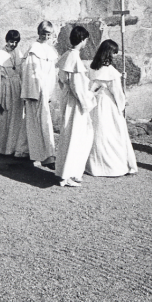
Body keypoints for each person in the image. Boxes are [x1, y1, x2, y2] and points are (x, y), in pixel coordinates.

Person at [85, 40, 138, 177]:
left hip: (95, 102)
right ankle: (112, 166)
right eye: (114, 53)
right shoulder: (111, 72)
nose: (115, 56)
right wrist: (123, 103)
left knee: (97, 132)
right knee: (111, 133)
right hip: (107, 104)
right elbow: (117, 92)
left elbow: (91, 86)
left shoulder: (93, 68)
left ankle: (95, 165)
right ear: (109, 54)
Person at [54, 25, 96, 187]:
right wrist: (90, 98)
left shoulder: (67, 56)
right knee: (75, 137)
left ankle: (71, 172)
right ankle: (68, 174)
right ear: (83, 40)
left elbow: (62, 80)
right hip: (76, 104)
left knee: (71, 135)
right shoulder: (75, 59)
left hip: (69, 101)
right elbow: (78, 88)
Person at [21, 20, 59, 166]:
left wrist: (49, 93)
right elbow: (30, 73)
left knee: (44, 123)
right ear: (39, 32)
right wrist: (34, 93)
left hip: (46, 92)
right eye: (44, 33)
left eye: (49, 34)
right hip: (36, 93)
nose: (46, 36)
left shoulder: (50, 50)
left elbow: (51, 74)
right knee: (38, 124)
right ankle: (44, 155)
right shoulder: (34, 49)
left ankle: (45, 153)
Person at [0, 30, 29, 157]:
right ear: (6, 40)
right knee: (4, 116)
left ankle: (13, 147)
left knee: (16, 117)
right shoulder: (0, 54)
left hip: (16, 87)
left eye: (16, 42)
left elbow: (22, 71)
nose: (13, 44)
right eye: (11, 41)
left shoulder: (18, 52)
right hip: (5, 87)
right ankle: (0, 148)